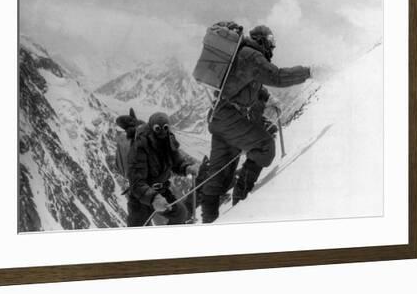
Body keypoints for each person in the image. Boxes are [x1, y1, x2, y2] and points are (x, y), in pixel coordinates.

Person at [201, 23, 311, 223]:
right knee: (265, 147)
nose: (273, 47)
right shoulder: (253, 56)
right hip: (230, 118)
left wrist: (267, 98)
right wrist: (308, 72)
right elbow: (277, 76)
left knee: (217, 178)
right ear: (263, 40)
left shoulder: (244, 54)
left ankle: (209, 224)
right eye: (271, 42)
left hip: (220, 116)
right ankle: (241, 203)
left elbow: (247, 83)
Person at [127, 112, 200, 227]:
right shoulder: (140, 147)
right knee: (137, 229)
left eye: (165, 128)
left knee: (180, 214)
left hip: (162, 190)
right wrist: (154, 198)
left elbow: (177, 162)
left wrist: (186, 168)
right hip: (140, 196)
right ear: (151, 128)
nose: (162, 131)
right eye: (158, 128)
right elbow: (136, 182)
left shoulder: (168, 141)